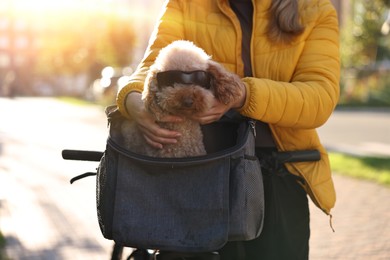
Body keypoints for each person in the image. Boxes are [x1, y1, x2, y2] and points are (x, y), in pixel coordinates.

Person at [116, 0, 340, 259]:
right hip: (200, 173)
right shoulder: (187, 4)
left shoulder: (315, 9)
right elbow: (154, 65)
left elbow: (320, 98)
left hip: (279, 176)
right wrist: (132, 98)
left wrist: (245, 94)